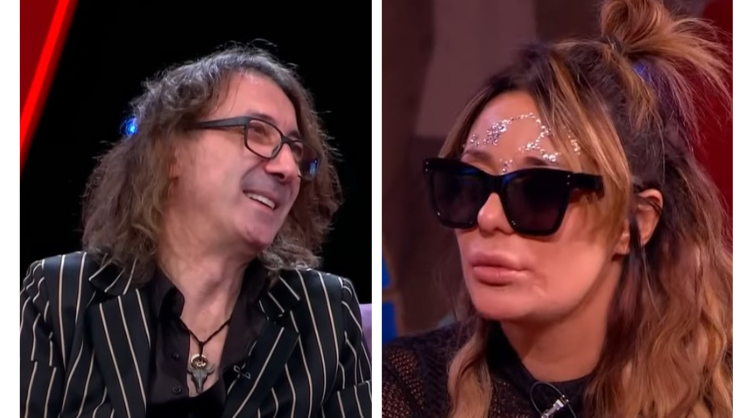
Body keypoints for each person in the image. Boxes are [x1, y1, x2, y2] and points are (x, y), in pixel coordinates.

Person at [382, 0, 731, 416]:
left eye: (537, 193)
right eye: (469, 184)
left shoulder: (723, 387)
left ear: (634, 221)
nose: (487, 218)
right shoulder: (404, 388)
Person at [21, 46, 371, 418]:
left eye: (296, 151)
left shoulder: (325, 314)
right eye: (257, 132)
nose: (288, 168)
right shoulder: (60, 296)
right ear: (172, 153)